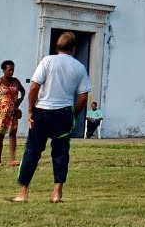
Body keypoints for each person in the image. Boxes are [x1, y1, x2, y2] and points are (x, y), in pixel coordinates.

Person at [12, 32, 90, 204]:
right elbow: (83, 97)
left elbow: (33, 88)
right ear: (73, 48)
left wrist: (31, 111)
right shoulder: (80, 67)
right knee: (61, 153)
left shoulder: (47, 61)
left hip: (42, 112)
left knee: (32, 151)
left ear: (57, 47)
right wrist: (73, 116)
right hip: (63, 114)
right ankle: (57, 193)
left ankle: (23, 193)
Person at [0, 60, 25, 167]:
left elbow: (23, 91)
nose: (12, 72)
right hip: (0, 113)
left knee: (13, 134)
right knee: (0, 135)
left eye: (13, 70)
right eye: (9, 70)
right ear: (4, 70)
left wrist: (19, 101)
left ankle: (13, 159)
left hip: (13, 113)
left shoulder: (16, 81)